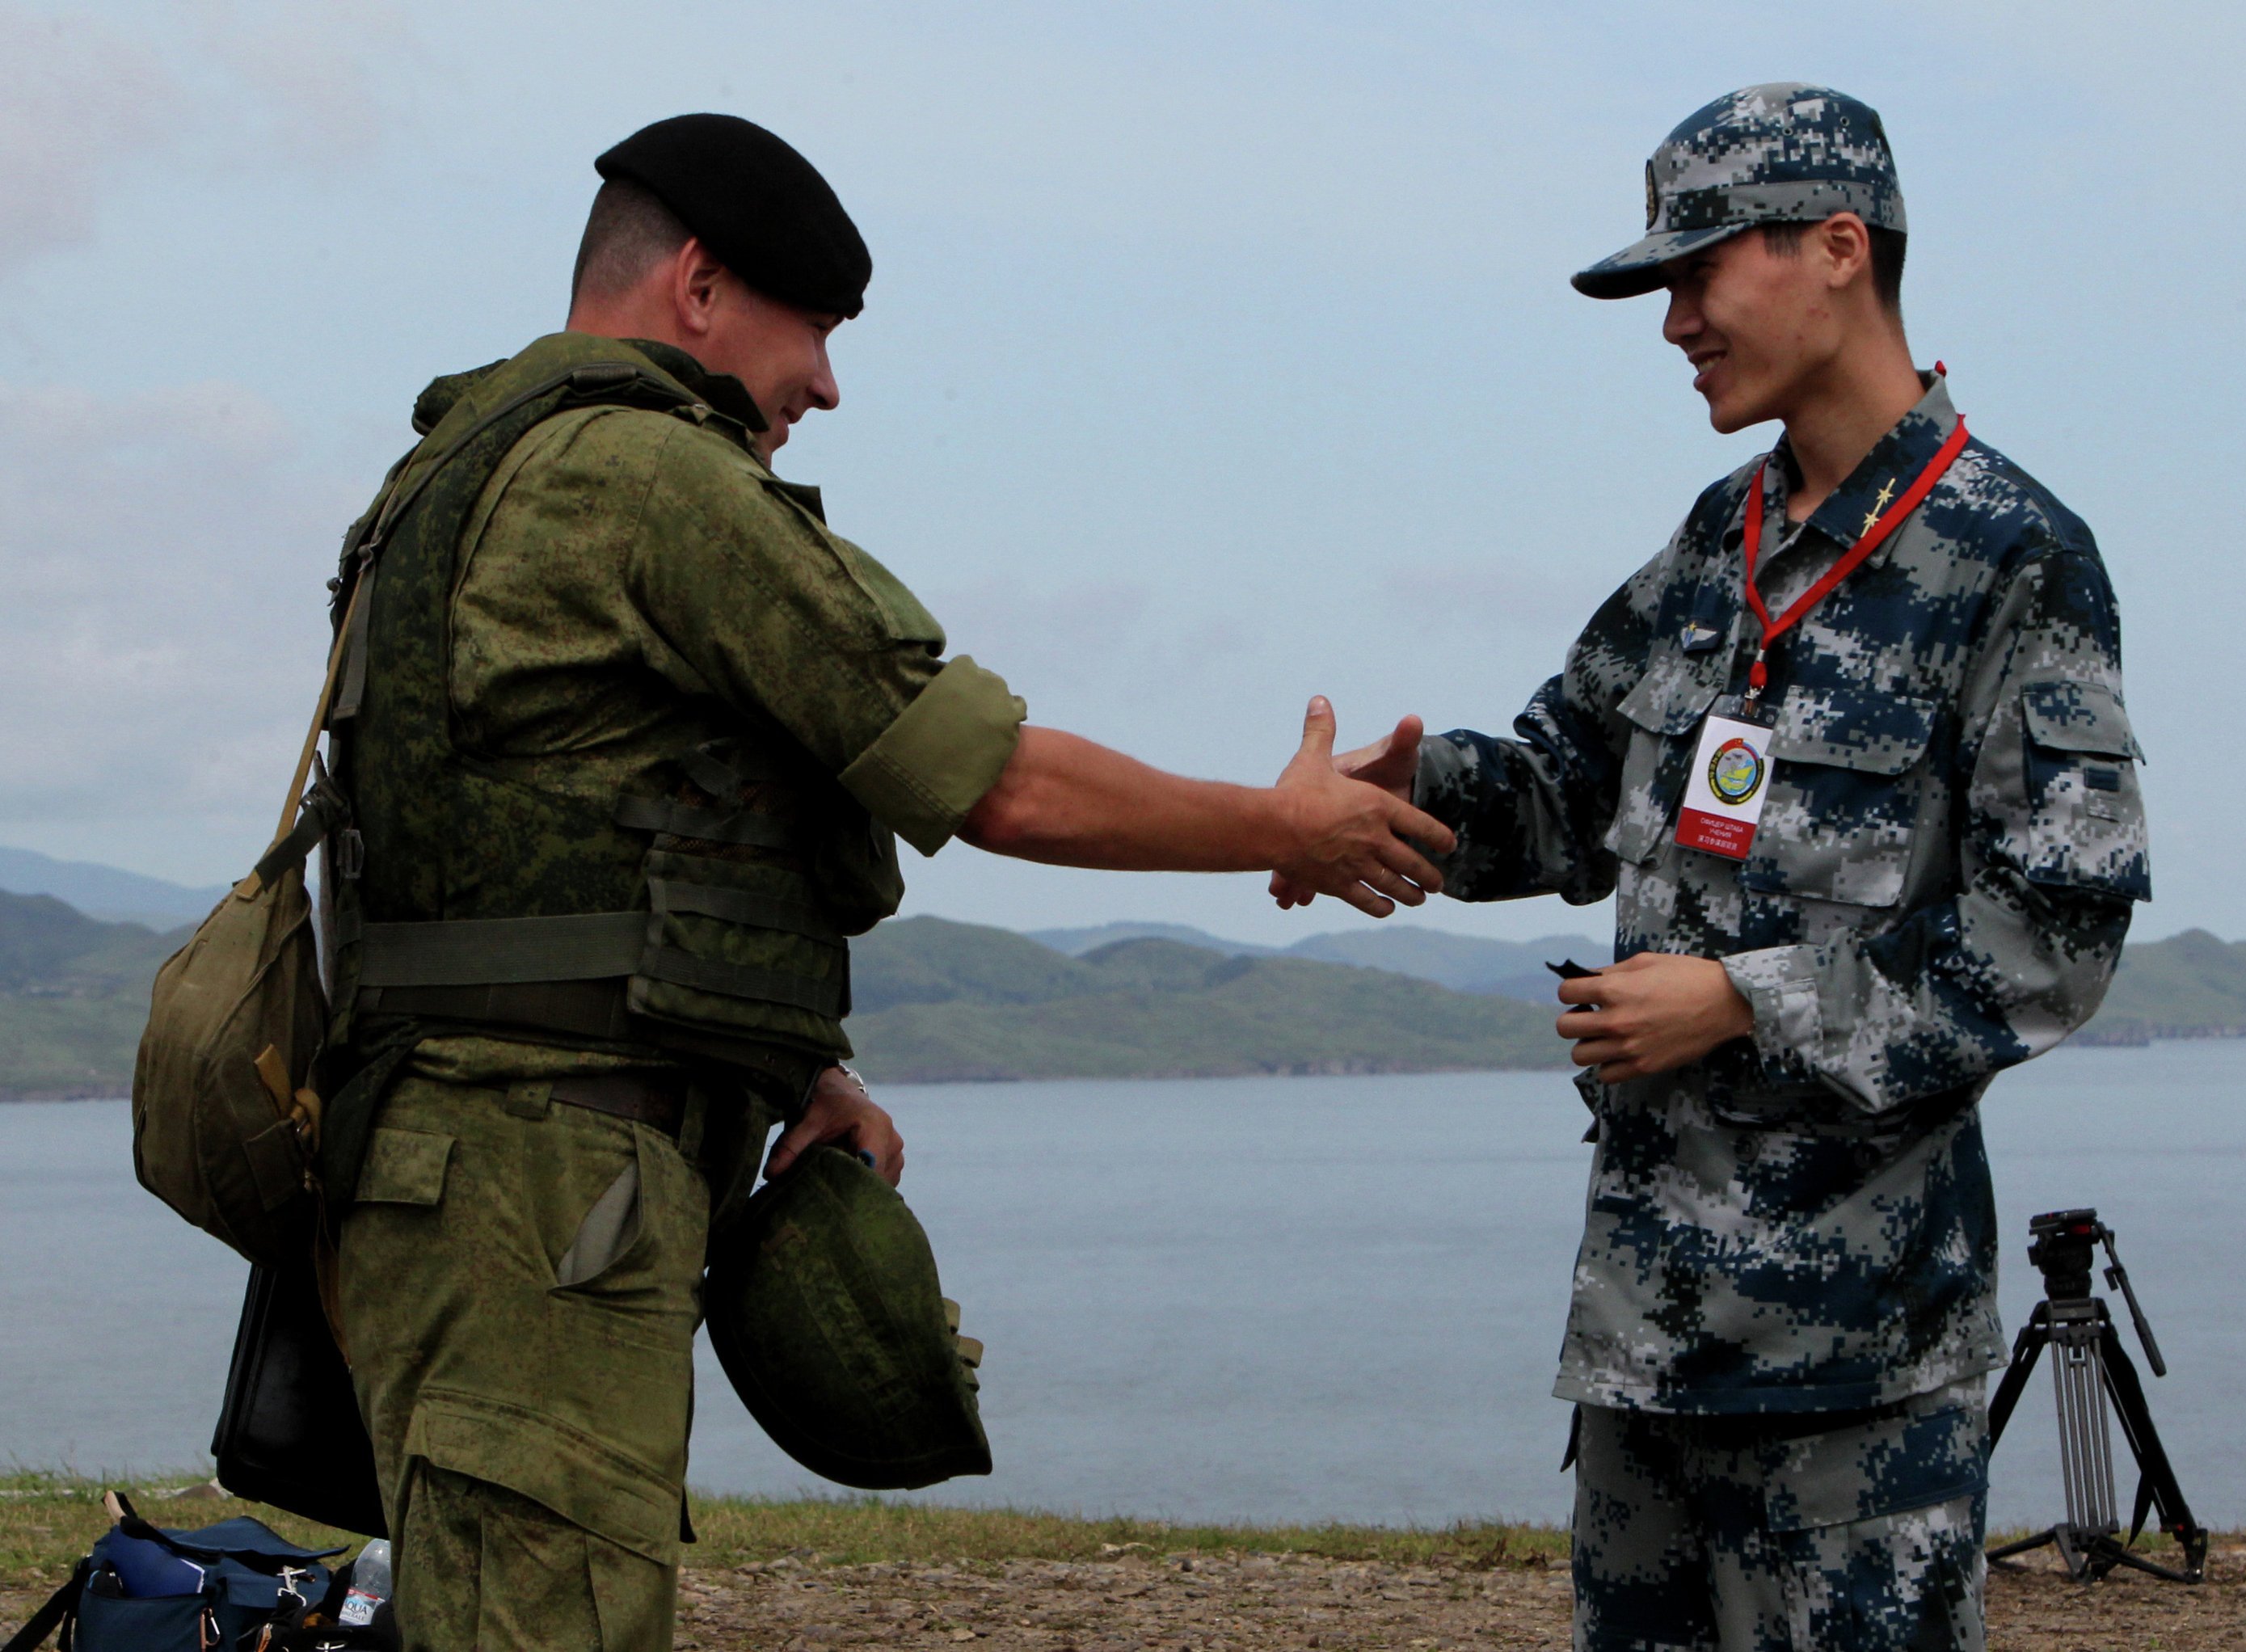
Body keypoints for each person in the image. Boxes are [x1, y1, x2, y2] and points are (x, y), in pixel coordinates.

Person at [321, 113, 1454, 1652]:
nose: (827, 386)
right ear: (703, 287)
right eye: (819, 333)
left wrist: (796, 1060)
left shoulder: (454, 469)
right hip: (543, 1194)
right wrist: (1281, 824)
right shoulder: (652, 477)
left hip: (458, 1174)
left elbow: (549, 849)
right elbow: (994, 780)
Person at [1278, 84, 2147, 1650]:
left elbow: (2052, 934)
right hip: (1647, 1360)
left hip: (1854, 1385)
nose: (1673, 319)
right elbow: (1556, 789)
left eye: (1698, 271)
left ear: (1835, 247)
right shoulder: (1712, 547)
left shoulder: (2008, 556)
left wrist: (1740, 1002)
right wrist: (1385, 801)